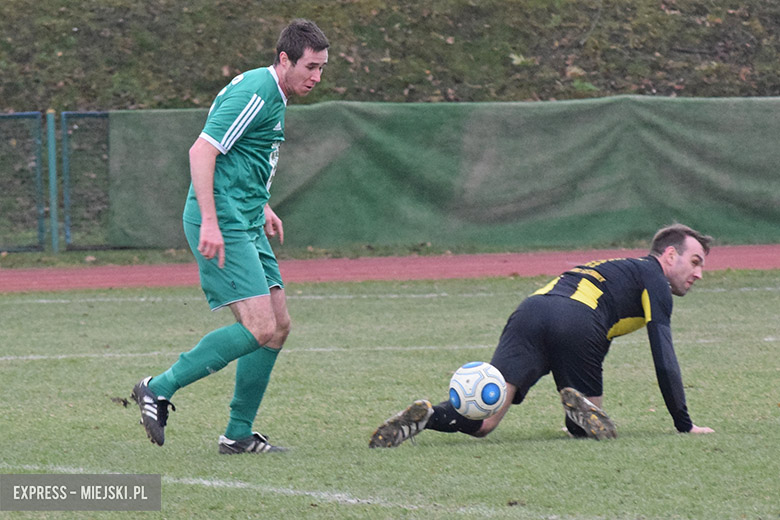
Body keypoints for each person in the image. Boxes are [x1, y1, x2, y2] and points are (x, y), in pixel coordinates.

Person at [131, 19, 329, 454]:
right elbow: (202, 150)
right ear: (285, 59)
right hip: (222, 219)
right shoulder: (257, 92)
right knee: (259, 327)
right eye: (310, 67)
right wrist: (211, 220)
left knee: (277, 326)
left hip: (244, 215)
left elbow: (242, 156)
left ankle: (238, 434)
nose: (316, 77)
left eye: (321, 68)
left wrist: (261, 203)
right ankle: (157, 388)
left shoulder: (274, 92)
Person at [370, 224, 716, 447]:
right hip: (578, 322)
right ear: (669, 255)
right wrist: (684, 424)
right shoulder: (654, 277)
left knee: (485, 419)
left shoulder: (618, 266)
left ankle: (428, 414)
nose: (699, 274)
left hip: (531, 311)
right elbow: (663, 354)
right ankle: (576, 413)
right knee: (591, 429)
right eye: (696, 261)